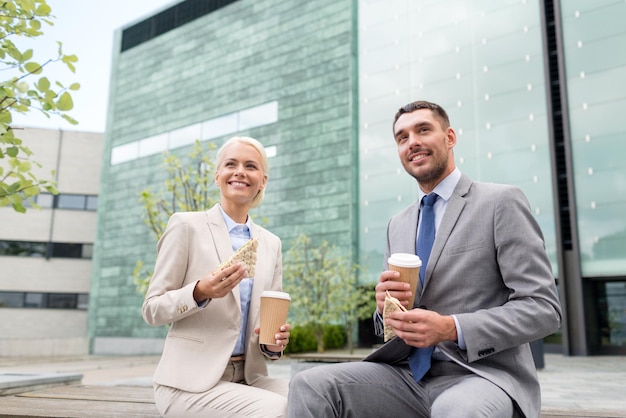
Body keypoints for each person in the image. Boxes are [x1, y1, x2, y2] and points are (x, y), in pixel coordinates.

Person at [287, 100, 562, 418]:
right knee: (310, 385)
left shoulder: (500, 202)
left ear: (450, 137)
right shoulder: (397, 224)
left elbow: (543, 309)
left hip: (482, 375)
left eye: (423, 130)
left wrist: (451, 327)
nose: (412, 142)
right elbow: (396, 323)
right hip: (408, 377)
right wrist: (384, 309)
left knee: (456, 411)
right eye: (402, 137)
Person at [142, 136, 291, 417]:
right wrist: (199, 292)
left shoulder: (271, 243)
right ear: (217, 176)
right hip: (187, 384)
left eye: (250, 166)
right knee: (278, 409)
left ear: (263, 180)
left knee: (319, 397)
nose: (240, 171)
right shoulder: (185, 226)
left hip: (249, 378)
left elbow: (268, 325)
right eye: (230, 164)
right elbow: (152, 309)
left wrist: (273, 345)